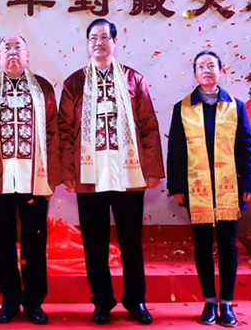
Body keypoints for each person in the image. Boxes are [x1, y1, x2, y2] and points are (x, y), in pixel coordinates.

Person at [58, 18, 164, 325]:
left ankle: (135, 300)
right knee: (94, 243)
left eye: (105, 38)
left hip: (128, 173)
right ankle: (102, 301)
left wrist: (152, 169)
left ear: (115, 42)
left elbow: (148, 125)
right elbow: (64, 129)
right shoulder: (74, 83)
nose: (99, 43)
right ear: (87, 44)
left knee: (131, 241)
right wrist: (67, 171)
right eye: (93, 38)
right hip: (89, 175)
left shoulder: (133, 79)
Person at [0, 35, 60, 325]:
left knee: (35, 241)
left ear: (28, 55)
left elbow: (53, 132)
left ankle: (34, 302)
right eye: (6, 48)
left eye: (17, 47)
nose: (12, 52)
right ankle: (8, 299)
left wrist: (51, 177)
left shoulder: (43, 88)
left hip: (35, 178)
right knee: (2, 241)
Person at [166, 50, 251, 327]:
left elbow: (247, 146)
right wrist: (176, 185)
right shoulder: (182, 108)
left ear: (221, 70)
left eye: (211, 65)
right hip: (197, 187)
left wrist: (249, 182)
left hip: (230, 185)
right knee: (203, 244)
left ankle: (226, 303)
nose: (206, 70)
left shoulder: (235, 106)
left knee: (228, 243)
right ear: (195, 73)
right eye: (201, 66)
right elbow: (176, 150)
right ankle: (209, 301)